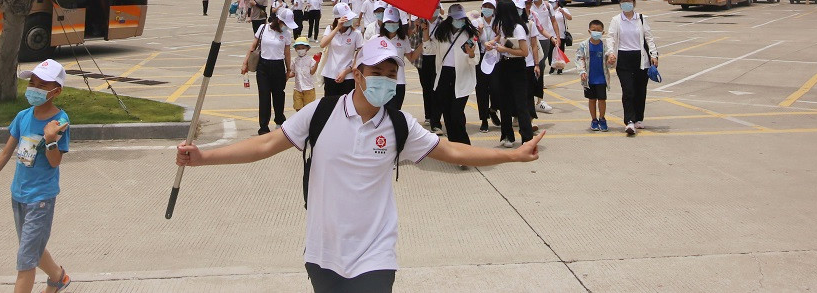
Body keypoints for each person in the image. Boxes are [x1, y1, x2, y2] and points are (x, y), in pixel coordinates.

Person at [175, 37, 545, 292]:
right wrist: (205, 157)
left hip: (375, 254)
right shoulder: (320, 113)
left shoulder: (400, 125)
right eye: (376, 72)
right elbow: (266, 145)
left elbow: (453, 152)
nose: (384, 81)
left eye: (390, 74)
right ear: (357, 73)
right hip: (323, 252)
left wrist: (512, 155)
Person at [0, 59, 72, 293]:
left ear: (56, 90)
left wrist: (51, 139)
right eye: (32, 83)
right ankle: (58, 277)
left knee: (26, 260)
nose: (34, 88)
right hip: (19, 194)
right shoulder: (23, 116)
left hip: (40, 198)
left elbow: (55, 162)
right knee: (31, 247)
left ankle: (55, 279)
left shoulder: (60, 122)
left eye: (42, 85)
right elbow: (5, 153)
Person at [605, 0, 659, 136]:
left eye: (629, 1)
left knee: (640, 90)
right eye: (623, 1)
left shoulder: (641, 19)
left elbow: (649, 38)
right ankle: (629, 121)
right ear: (620, 4)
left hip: (641, 59)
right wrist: (611, 52)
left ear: (634, 3)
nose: (626, 4)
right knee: (628, 90)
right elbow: (611, 38)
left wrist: (654, 55)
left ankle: (638, 119)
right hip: (623, 58)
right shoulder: (616, 20)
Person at [486, 0, 535, 146]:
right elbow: (498, 39)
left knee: (520, 103)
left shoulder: (518, 28)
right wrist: (491, 44)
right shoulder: (502, 26)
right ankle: (507, 135)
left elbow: (524, 52)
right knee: (504, 102)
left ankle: (527, 138)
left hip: (517, 66)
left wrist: (505, 49)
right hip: (504, 65)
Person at [431, 3, 478, 157]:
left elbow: (475, 60)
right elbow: (430, 49)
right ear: (450, 18)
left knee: (457, 114)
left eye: (462, 18)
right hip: (445, 75)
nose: (460, 21)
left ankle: (466, 151)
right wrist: (425, 31)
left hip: (462, 76)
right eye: (456, 18)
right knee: (448, 115)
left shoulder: (470, 35)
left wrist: (471, 53)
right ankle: (455, 150)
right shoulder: (441, 33)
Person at [244, 8, 295, 134]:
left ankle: (279, 120)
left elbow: (287, 53)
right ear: (278, 20)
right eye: (285, 24)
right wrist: (245, 63)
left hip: (278, 66)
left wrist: (288, 69)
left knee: (279, 95)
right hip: (263, 66)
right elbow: (253, 46)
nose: (286, 27)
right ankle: (263, 126)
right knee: (264, 96)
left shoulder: (287, 34)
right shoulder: (262, 28)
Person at [376, 5, 419, 112]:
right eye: (388, 22)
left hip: (399, 82)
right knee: (382, 113)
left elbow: (412, 57)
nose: (391, 24)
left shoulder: (404, 40)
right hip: (382, 82)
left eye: (394, 22)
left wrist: (424, 43)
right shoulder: (376, 39)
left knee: (395, 112)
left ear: (398, 23)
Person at [318, 2, 363, 97]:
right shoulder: (330, 29)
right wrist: (337, 28)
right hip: (330, 74)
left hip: (348, 76)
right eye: (346, 17)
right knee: (330, 105)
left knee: (346, 105)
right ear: (338, 18)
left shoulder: (356, 34)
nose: (350, 20)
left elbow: (360, 55)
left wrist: (346, 71)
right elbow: (323, 44)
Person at [527, 0, 559, 111]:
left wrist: (555, 36)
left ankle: (539, 100)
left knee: (540, 67)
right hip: (530, 42)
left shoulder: (547, 6)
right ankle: (531, 98)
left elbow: (553, 21)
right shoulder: (528, 6)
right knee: (533, 68)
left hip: (543, 40)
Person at [472, 0, 502, 132]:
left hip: (496, 57)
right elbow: (472, 39)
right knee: (482, 89)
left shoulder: (498, 22)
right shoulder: (476, 22)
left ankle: (493, 109)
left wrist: (493, 42)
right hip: (481, 57)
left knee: (496, 88)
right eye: (485, 6)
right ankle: (484, 119)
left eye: (490, 7)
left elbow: (502, 36)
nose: (487, 9)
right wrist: (479, 34)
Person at [576, 19, 610, 131]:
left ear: (603, 32)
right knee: (591, 99)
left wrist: (611, 60)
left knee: (602, 100)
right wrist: (582, 71)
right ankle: (594, 119)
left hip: (601, 78)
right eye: (594, 30)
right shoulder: (584, 45)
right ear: (589, 31)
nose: (596, 32)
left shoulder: (605, 46)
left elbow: (610, 61)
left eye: (599, 30)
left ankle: (602, 119)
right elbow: (579, 58)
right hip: (589, 79)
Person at [292, 37, 318, 111]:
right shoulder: (295, 60)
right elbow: (293, 72)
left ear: (307, 48)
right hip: (298, 88)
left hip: (308, 88)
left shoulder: (310, 60)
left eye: (303, 48)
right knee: (298, 107)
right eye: (298, 48)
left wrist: (317, 63)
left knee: (309, 108)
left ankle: (307, 121)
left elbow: (312, 72)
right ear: (296, 49)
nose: (301, 50)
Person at [549, 0, 572, 74]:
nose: (552, 4)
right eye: (550, 2)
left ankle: (560, 67)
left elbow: (569, 18)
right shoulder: (549, 10)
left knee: (560, 51)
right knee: (550, 51)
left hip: (561, 34)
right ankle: (552, 66)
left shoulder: (562, 10)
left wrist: (563, 12)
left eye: (553, 2)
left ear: (557, 2)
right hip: (551, 34)